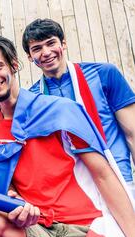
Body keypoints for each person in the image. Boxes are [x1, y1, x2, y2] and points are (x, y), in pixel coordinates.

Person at [0, 34, 135, 237]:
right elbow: (8, 188)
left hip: (83, 228)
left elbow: (103, 175)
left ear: (14, 65)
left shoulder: (60, 110)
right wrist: (14, 202)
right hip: (36, 229)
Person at [22, 18, 135, 191]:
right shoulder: (32, 99)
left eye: (51, 43)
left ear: (64, 43)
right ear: (30, 57)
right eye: (37, 49)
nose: (46, 52)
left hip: (119, 178)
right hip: (75, 191)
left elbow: (132, 133)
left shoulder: (104, 73)